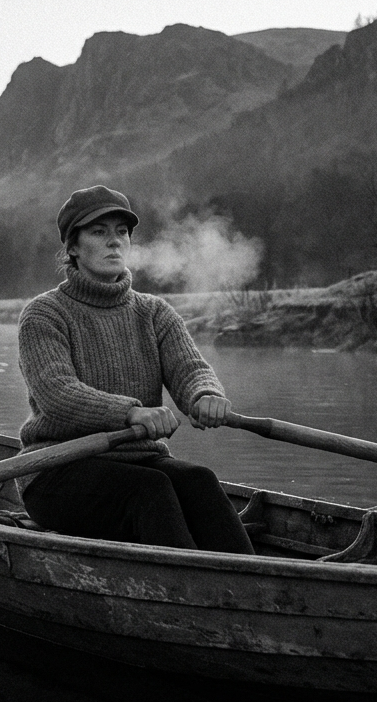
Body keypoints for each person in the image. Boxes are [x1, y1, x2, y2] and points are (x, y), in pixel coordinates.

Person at [16, 185, 254, 554]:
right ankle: (191, 592)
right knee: (149, 490)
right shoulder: (44, 314)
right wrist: (130, 412)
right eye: (99, 232)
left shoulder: (154, 312)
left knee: (199, 480)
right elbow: (56, 394)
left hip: (141, 458)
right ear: (73, 248)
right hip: (57, 470)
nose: (114, 242)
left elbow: (190, 369)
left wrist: (206, 395)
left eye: (121, 232)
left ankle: (251, 586)